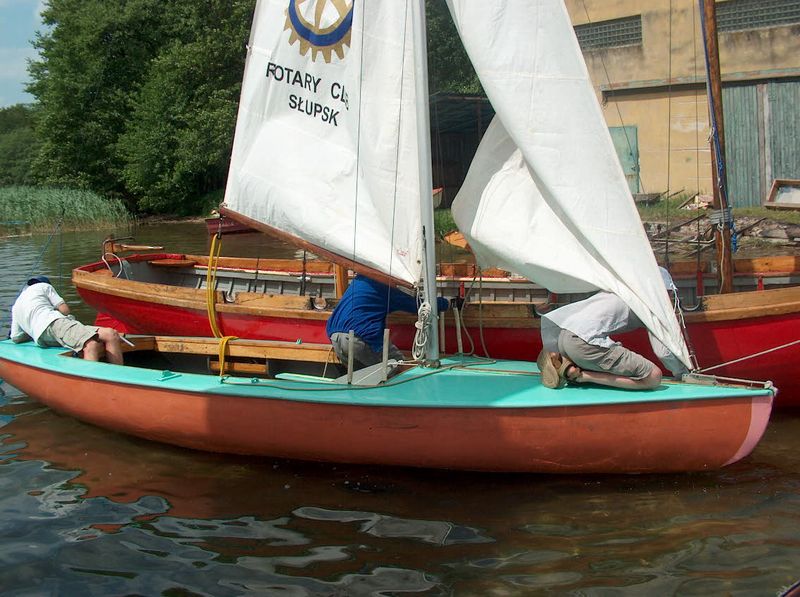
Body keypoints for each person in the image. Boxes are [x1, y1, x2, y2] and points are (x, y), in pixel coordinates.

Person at [537, 268, 688, 390]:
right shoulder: (650, 305)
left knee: (593, 355)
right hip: (584, 343)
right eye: (669, 293)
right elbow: (664, 352)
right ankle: (583, 376)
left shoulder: (617, 290)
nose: (670, 298)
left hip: (563, 336)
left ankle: (569, 367)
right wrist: (683, 374)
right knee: (653, 376)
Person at [326, 274, 455, 371]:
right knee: (399, 369)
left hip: (335, 336)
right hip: (361, 337)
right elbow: (419, 306)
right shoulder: (385, 286)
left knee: (361, 379)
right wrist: (447, 303)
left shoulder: (360, 279)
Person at [10, 275, 124, 365]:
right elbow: (65, 310)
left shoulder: (16, 306)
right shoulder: (44, 286)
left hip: (42, 338)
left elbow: (15, 337)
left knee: (110, 334)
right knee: (91, 343)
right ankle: (98, 382)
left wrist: (32, 331)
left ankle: (112, 376)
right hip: (54, 323)